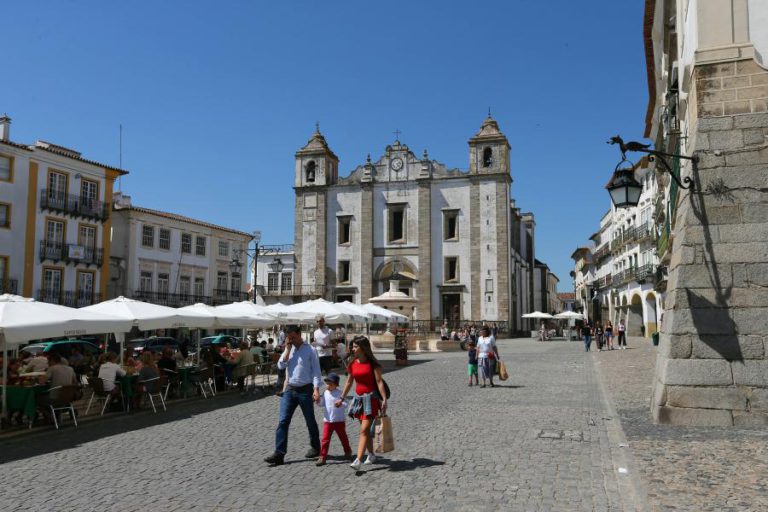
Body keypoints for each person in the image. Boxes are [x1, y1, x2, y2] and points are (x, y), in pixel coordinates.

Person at [264, 325, 322, 466]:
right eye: (289, 337)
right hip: (290, 389)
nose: (291, 340)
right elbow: (280, 366)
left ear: (299, 334)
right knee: (283, 421)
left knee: (310, 420)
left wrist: (316, 389)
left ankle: (315, 447)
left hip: (305, 389)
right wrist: (287, 350)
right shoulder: (288, 349)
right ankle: (279, 453)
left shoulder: (310, 350)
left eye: (293, 337)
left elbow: (316, 372)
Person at [335, 336, 388, 470]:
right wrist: (341, 398)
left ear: (363, 348)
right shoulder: (352, 363)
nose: (352, 349)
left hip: (371, 400)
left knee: (364, 430)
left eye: (355, 347)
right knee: (365, 431)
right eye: (352, 347)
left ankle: (358, 460)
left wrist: (384, 400)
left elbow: (379, 382)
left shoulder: (372, 364)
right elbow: (349, 382)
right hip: (358, 400)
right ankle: (371, 454)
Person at [315, 372, 353, 466]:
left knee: (343, 437)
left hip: (339, 420)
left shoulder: (340, 393)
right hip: (328, 421)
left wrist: (340, 404)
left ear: (336, 385)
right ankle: (323, 457)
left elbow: (346, 403)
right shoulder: (325, 393)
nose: (328, 386)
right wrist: (318, 400)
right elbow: (321, 404)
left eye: (330, 384)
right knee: (325, 439)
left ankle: (347, 451)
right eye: (327, 384)